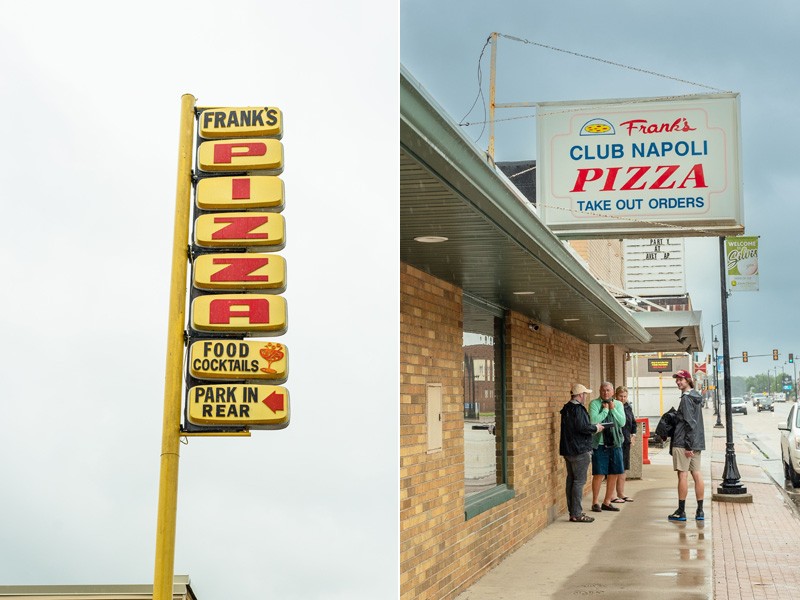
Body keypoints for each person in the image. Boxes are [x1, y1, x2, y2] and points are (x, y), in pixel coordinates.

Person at [559, 383, 605, 523]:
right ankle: (577, 514)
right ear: (580, 395)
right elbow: (583, 427)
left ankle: (573, 512)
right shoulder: (578, 409)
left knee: (571, 481)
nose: (585, 396)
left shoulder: (566, 408)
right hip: (580, 450)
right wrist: (596, 428)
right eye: (584, 394)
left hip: (568, 450)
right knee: (579, 482)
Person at [668, 369, 706, 521]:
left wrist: (688, 446)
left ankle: (681, 511)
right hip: (696, 442)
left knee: (682, 475)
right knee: (696, 474)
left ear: (688, 380)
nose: (678, 382)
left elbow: (689, 422)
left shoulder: (686, 399)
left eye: (681, 379)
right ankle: (700, 511)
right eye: (677, 380)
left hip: (684, 442)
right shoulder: (696, 397)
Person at [588, 381, 626, 512]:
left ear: (613, 391)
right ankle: (595, 502)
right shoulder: (594, 404)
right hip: (600, 443)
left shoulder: (619, 404)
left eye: (608, 390)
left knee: (614, 472)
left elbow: (621, 422)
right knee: (599, 473)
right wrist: (605, 410)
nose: (605, 392)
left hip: (615, 443)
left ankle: (607, 501)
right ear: (600, 391)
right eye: (603, 390)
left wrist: (612, 409)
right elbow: (593, 421)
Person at [610, 386, 637, 504]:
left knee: (623, 468)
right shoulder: (612, 405)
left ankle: (621, 493)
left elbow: (633, 423)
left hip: (626, 440)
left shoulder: (628, 407)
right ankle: (612, 495)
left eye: (625, 396)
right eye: (621, 396)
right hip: (615, 440)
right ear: (616, 395)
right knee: (615, 468)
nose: (623, 398)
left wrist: (633, 435)